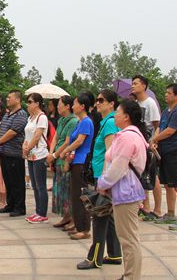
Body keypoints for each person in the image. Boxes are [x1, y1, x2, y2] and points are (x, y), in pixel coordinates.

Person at [97, 100, 150, 280]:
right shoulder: (134, 135)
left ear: (126, 116)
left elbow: (118, 167)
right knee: (129, 238)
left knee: (128, 240)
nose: (115, 116)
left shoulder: (126, 137)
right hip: (129, 190)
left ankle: (131, 276)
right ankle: (129, 274)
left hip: (126, 191)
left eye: (117, 112)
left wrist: (103, 183)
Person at [77, 90, 122, 270]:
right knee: (108, 215)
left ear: (112, 104)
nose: (97, 103)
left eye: (101, 100)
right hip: (101, 175)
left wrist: (104, 180)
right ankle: (115, 253)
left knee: (99, 215)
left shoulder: (110, 123)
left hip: (103, 177)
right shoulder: (106, 122)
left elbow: (110, 154)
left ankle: (94, 258)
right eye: (97, 100)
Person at [152, 84, 177, 231]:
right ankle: (170, 213)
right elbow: (160, 128)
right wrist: (155, 140)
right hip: (164, 151)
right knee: (168, 185)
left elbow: (170, 131)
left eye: (169, 93)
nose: (166, 95)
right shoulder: (166, 111)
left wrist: (154, 139)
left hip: (175, 151)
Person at [61, 93, 95, 239]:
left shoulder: (86, 121)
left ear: (82, 106)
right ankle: (79, 225)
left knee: (81, 195)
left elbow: (80, 141)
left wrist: (65, 151)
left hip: (82, 162)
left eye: (75, 103)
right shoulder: (80, 122)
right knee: (75, 195)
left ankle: (85, 229)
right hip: (75, 161)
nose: (73, 106)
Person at [0, 90, 29, 217]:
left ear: (18, 100)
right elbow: (3, 129)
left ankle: (19, 207)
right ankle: (10, 204)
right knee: (8, 181)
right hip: (5, 152)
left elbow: (13, 132)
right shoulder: (8, 114)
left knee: (17, 181)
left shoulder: (21, 114)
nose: (7, 99)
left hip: (14, 154)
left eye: (10, 97)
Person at [131, 75, 162, 221]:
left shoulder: (150, 103)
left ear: (144, 86)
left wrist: (154, 141)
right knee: (142, 175)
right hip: (138, 143)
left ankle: (158, 209)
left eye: (136, 83)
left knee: (152, 175)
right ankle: (146, 207)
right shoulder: (135, 104)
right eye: (132, 83)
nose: (133, 86)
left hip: (148, 144)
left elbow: (157, 126)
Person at [47, 95, 78, 230]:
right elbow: (55, 138)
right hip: (57, 158)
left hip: (64, 158)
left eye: (59, 104)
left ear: (67, 106)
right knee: (60, 189)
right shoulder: (61, 120)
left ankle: (71, 217)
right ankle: (65, 216)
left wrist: (54, 155)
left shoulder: (73, 121)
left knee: (67, 190)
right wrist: (51, 153)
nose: (57, 106)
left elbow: (67, 142)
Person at [23, 92, 50, 224]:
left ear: (37, 103)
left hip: (39, 154)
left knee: (41, 186)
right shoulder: (31, 117)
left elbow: (37, 136)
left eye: (30, 102)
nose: (27, 104)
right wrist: (24, 147)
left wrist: (28, 148)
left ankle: (42, 213)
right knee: (34, 185)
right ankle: (37, 211)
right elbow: (27, 136)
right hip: (30, 155)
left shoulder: (42, 117)